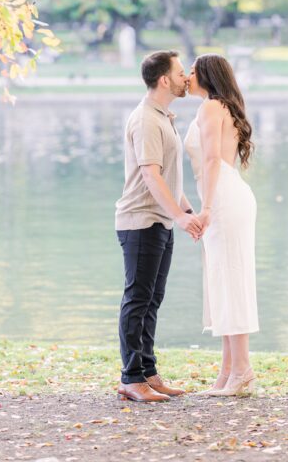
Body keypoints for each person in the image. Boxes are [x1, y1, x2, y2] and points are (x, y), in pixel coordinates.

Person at [115, 50, 203, 403]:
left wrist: (186, 210)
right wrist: (180, 218)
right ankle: (130, 378)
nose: (186, 77)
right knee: (137, 299)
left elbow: (168, 177)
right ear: (164, 79)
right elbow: (151, 176)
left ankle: (148, 373)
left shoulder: (162, 117)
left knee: (152, 299)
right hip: (141, 220)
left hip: (160, 218)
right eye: (181, 72)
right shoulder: (147, 120)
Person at [185, 54, 258, 395]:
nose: (187, 75)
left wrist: (206, 208)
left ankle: (242, 369)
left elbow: (213, 158)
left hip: (224, 199)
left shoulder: (211, 108)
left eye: (193, 71)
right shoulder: (218, 107)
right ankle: (228, 371)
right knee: (224, 279)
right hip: (227, 194)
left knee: (229, 279)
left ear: (207, 76)